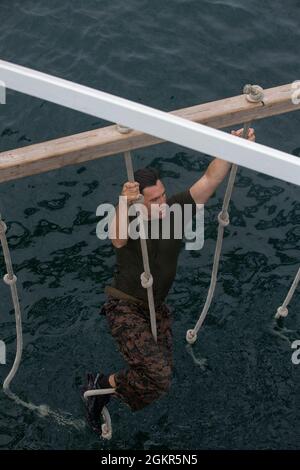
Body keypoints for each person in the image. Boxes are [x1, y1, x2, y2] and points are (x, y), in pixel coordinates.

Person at [82, 127, 256, 435]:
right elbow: (117, 239)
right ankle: (102, 385)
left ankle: (103, 390)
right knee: (157, 374)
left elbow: (209, 179)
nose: (161, 203)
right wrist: (124, 201)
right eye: (153, 200)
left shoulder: (176, 209)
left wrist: (232, 146)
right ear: (139, 202)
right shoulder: (131, 218)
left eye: (162, 195)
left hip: (156, 309)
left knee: (159, 383)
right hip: (124, 307)